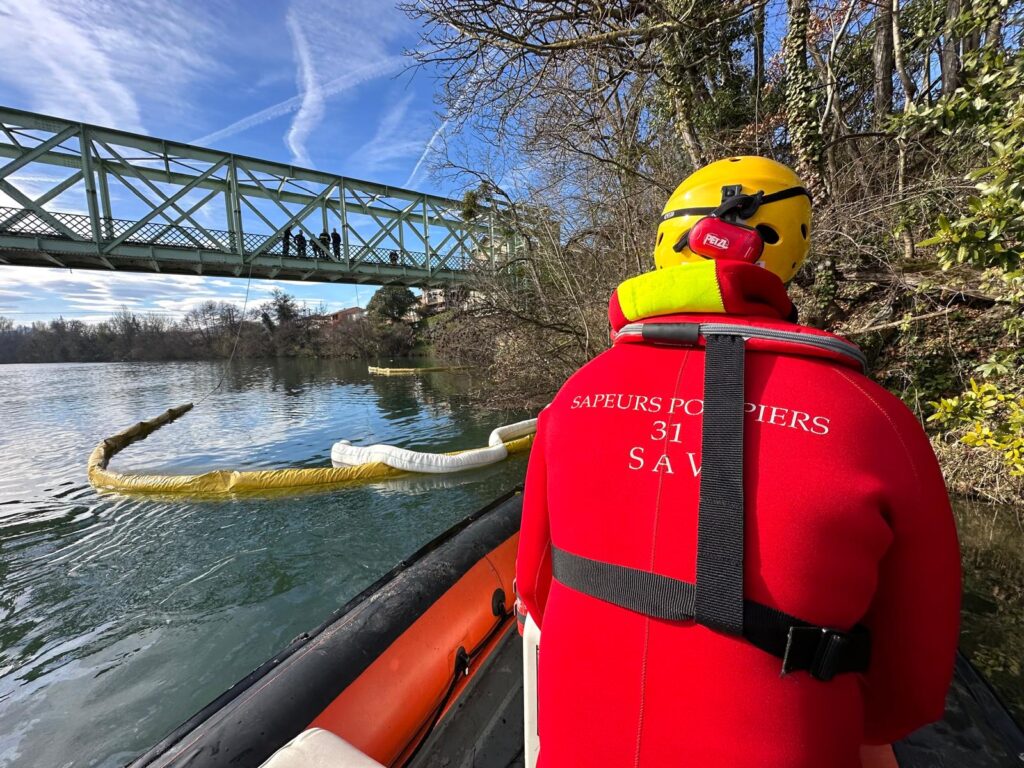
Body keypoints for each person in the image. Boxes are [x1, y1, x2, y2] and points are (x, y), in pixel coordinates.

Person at [515, 156, 960, 768]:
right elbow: (910, 689)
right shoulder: (874, 421)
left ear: (666, 245)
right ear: (790, 255)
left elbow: (535, 594)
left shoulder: (574, 395)